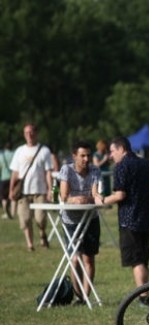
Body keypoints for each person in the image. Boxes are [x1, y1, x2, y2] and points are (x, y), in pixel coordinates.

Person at [97, 136, 149, 305]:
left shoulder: (122, 166)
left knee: (136, 261)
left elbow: (120, 194)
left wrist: (101, 201)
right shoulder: (147, 164)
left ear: (122, 148)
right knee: (143, 259)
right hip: (145, 218)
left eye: (112, 151)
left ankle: (144, 298)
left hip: (128, 220)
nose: (110, 156)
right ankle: (145, 293)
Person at [59, 141, 102, 304]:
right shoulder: (66, 170)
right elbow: (64, 196)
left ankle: (85, 297)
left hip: (90, 219)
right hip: (70, 220)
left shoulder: (95, 170)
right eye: (82, 155)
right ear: (74, 156)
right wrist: (74, 199)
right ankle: (78, 295)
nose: (86, 159)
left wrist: (89, 198)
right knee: (75, 259)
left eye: (88, 155)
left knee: (88, 259)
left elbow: (96, 194)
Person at [9, 123, 53, 251]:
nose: (29, 135)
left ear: (36, 133)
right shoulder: (19, 151)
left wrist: (50, 189)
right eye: (27, 133)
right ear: (24, 135)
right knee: (25, 218)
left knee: (40, 218)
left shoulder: (44, 150)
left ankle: (42, 234)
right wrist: (11, 189)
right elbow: (15, 173)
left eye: (31, 132)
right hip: (23, 191)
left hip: (40, 191)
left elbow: (48, 172)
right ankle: (30, 244)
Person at [0, 140, 15, 219]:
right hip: (13, 178)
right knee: (12, 196)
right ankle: (12, 213)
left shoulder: (2, 155)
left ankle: (6, 213)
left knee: (3, 197)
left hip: (4, 178)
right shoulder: (14, 154)